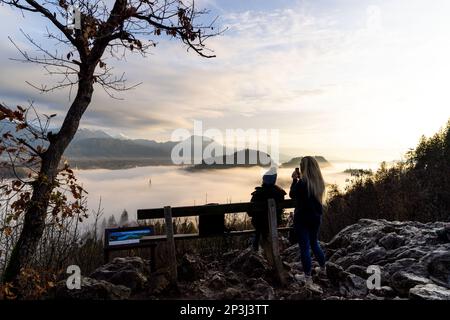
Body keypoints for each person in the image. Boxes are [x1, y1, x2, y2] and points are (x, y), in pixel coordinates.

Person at [289, 156, 326, 287]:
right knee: (314, 244)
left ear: (304, 167)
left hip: (302, 218)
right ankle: (323, 270)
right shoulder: (319, 182)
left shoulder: (302, 183)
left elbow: (293, 194)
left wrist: (294, 180)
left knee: (304, 248)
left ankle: (308, 278)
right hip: (315, 217)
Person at [247, 168, 286, 252]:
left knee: (258, 230)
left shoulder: (257, 194)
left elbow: (250, 212)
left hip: (259, 223)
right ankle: (273, 252)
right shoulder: (280, 193)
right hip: (274, 222)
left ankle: (255, 250)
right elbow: (281, 209)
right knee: (268, 229)